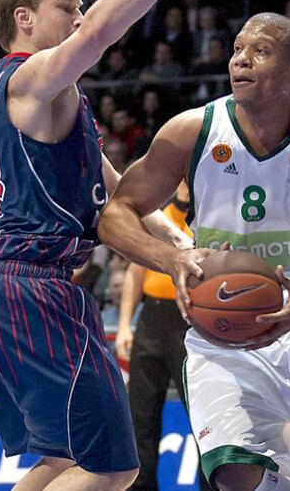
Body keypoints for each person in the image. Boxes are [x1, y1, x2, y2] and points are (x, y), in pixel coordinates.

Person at [0, 0, 233, 491]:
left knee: (62, 462)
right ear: (24, 19)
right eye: (68, 5)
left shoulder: (58, 104)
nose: (81, 17)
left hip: (11, 288)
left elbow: (124, 202)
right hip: (31, 288)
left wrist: (181, 244)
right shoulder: (27, 78)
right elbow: (100, 37)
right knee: (112, 467)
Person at [99, 12, 290, 491]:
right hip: (225, 337)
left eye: (260, 51)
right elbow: (115, 214)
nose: (241, 61)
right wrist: (171, 258)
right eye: (236, 50)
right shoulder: (191, 132)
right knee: (236, 478)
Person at [115, 180, 209, 491]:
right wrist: (125, 325)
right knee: (140, 416)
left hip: (192, 320)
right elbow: (134, 273)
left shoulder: (207, 212)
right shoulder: (159, 214)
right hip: (152, 319)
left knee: (203, 417)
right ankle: (140, 487)